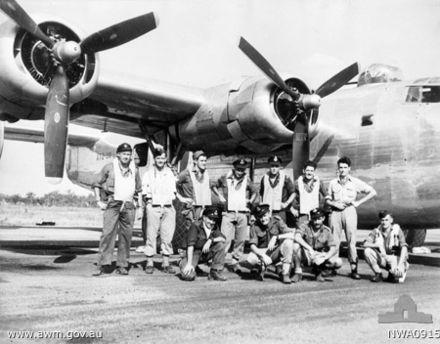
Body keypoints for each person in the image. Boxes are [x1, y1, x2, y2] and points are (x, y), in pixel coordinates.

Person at [92, 143, 142, 276]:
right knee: (108, 234)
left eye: (128, 154)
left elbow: (139, 189)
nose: (126, 156)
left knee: (126, 236)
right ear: (118, 155)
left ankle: (122, 264)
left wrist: (139, 206)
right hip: (113, 203)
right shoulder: (109, 167)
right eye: (124, 154)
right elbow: (96, 184)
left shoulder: (134, 169)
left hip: (129, 205)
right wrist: (98, 201)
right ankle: (102, 264)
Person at [325, 156, 377, 279]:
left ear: (349, 168)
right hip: (335, 212)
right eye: (340, 167)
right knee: (334, 241)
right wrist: (334, 203)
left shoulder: (355, 182)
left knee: (351, 242)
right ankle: (333, 267)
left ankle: (354, 269)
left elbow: (372, 192)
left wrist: (358, 203)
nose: (342, 170)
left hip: (349, 211)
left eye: (345, 167)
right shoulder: (333, 183)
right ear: (338, 169)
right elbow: (327, 199)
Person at [212, 158, 257, 270]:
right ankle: (219, 263)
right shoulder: (225, 177)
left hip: (242, 213)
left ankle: (235, 262)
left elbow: (255, 191)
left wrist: (250, 200)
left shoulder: (247, 179)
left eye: (242, 170)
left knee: (240, 240)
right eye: (238, 169)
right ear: (234, 168)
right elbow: (213, 185)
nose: (239, 172)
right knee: (225, 239)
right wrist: (220, 196)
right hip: (228, 213)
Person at [142, 147, 179, 274]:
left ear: (166, 159)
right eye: (158, 158)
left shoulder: (170, 173)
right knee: (151, 234)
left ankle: (166, 262)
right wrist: (149, 203)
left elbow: (174, 191)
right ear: (155, 159)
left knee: (167, 236)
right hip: (154, 206)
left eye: (163, 158)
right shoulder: (148, 173)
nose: (160, 160)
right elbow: (144, 192)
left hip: (168, 207)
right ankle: (150, 262)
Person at [243, 204, 295, 284]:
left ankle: (285, 273)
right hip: (263, 252)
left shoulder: (277, 221)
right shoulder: (255, 226)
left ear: (269, 214)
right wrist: (262, 255)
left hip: (276, 252)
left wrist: (276, 237)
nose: (263, 219)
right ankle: (260, 268)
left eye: (264, 216)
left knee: (288, 242)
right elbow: (252, 245)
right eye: (260, 217)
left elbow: (292, 234)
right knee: (251, 258)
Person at [292, 208, 342, 282]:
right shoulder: (305, 225)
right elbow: (297, 237)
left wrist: (324, 257)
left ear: (323, 218)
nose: (316, 222)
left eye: (319, 219)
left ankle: (318, 272)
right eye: (314, 219)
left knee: (338, 262)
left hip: (319, 255)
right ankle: (297, 272)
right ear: (311, 218)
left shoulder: (326, 231)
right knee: (295, 246)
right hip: (307, 254)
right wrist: (309, 248)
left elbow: (333, 248)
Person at [176, 150, 213, 249]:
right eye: (202, 161)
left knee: (202, 231)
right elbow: (173, 184)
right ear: (195, 161)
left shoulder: (206, 173)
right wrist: (181, 197)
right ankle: (185, 256)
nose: (204, 163)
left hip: (204, 208)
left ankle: (198, 255)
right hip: (192, 208)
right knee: (191, 231)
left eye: (205, 161)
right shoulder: (186, 173)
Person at [179, 205, 227, 281]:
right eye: (210, 218)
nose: (212, 222)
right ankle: (185, 263)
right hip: (191, 254)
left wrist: (211, 240)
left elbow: (223, 238)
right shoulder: (195, 226)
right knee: (188, 276)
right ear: (204, 217)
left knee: (220, 245)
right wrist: (188, 264)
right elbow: (190, 246)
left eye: (214, 220)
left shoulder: (214, 226)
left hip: (203, 253)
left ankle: (215, 271)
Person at [363, 210, 409, 283]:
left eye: (387, 220)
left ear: (391, 220)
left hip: (395, 258)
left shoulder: (397, 230)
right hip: (383, 257)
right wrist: (377, 245)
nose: (384, 222)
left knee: (397, 278)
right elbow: (365, 244)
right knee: (367, 251)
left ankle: (399, 269)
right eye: (382, 220)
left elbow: (404, 247)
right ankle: (378, 273)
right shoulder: (376, 231)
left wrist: (400, 264)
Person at [259, 155, 295, 224]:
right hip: (267, 211)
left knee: (281, 231)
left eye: (276, 166)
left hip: (280, 211)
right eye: (272, 166)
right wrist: (261, 204)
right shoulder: (264, 177)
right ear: (269, 166)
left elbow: (293, 193)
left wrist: (286, 203)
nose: (274, 168)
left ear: (279, 167)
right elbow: (261, 193)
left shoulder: (285, 177)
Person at [291, 160, 327, 226]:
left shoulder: (319, 182)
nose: (309, 173)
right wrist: (292, 209)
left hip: (315, 214)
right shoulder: (297, 183)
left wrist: (323, 209)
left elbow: (327, 196)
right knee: (302, 232)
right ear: (303, 171)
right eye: (307, 170)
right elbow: (289, 196)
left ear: (314, 172)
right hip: (302, 214)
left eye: (311, 171)